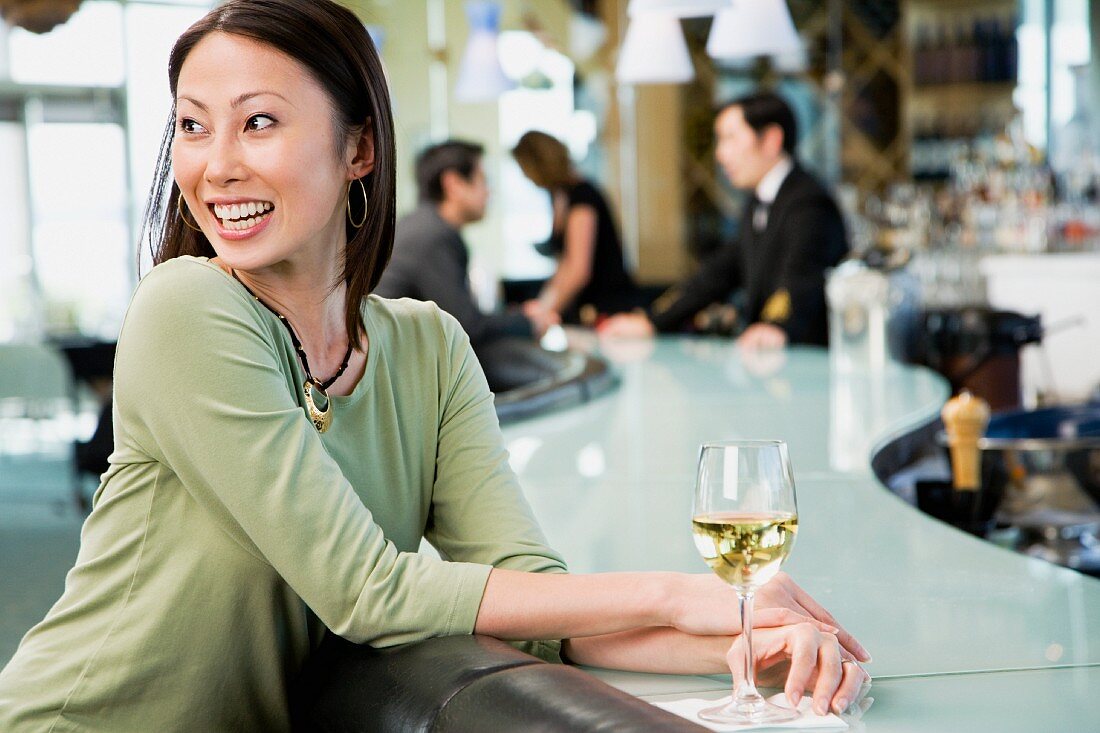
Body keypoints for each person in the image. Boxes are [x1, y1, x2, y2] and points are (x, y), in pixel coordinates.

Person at [0, 2, 868, 730]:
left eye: (257, 120)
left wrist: (750, 641)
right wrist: (679, 596)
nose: (216, 163)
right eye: (192, 125)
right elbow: (367, 589)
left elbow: (536, 605)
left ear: (359, 149)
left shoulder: (428, 346)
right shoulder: (185, 309)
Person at [600, 92, 849, 349]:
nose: (720, 154)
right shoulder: (758, 201)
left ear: (771, 140)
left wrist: (776, 325)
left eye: (730, 139)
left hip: (807, 364)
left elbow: (801, 278)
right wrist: (652, 321)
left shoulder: (808, 201)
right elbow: (717, 274)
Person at [375, 139, 557, 347]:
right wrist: (528, 322)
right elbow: (466, 327)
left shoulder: (422, 226)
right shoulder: (432, 236)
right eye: (482, 180)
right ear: (454, 184)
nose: (488, 191)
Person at [512, 130, 641, 325]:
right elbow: (565, 265)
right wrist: (543, 306)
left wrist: (542, 315)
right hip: (588, 310)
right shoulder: (560, 197)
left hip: (608, 310)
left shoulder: (583, 198)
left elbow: (578, 270)